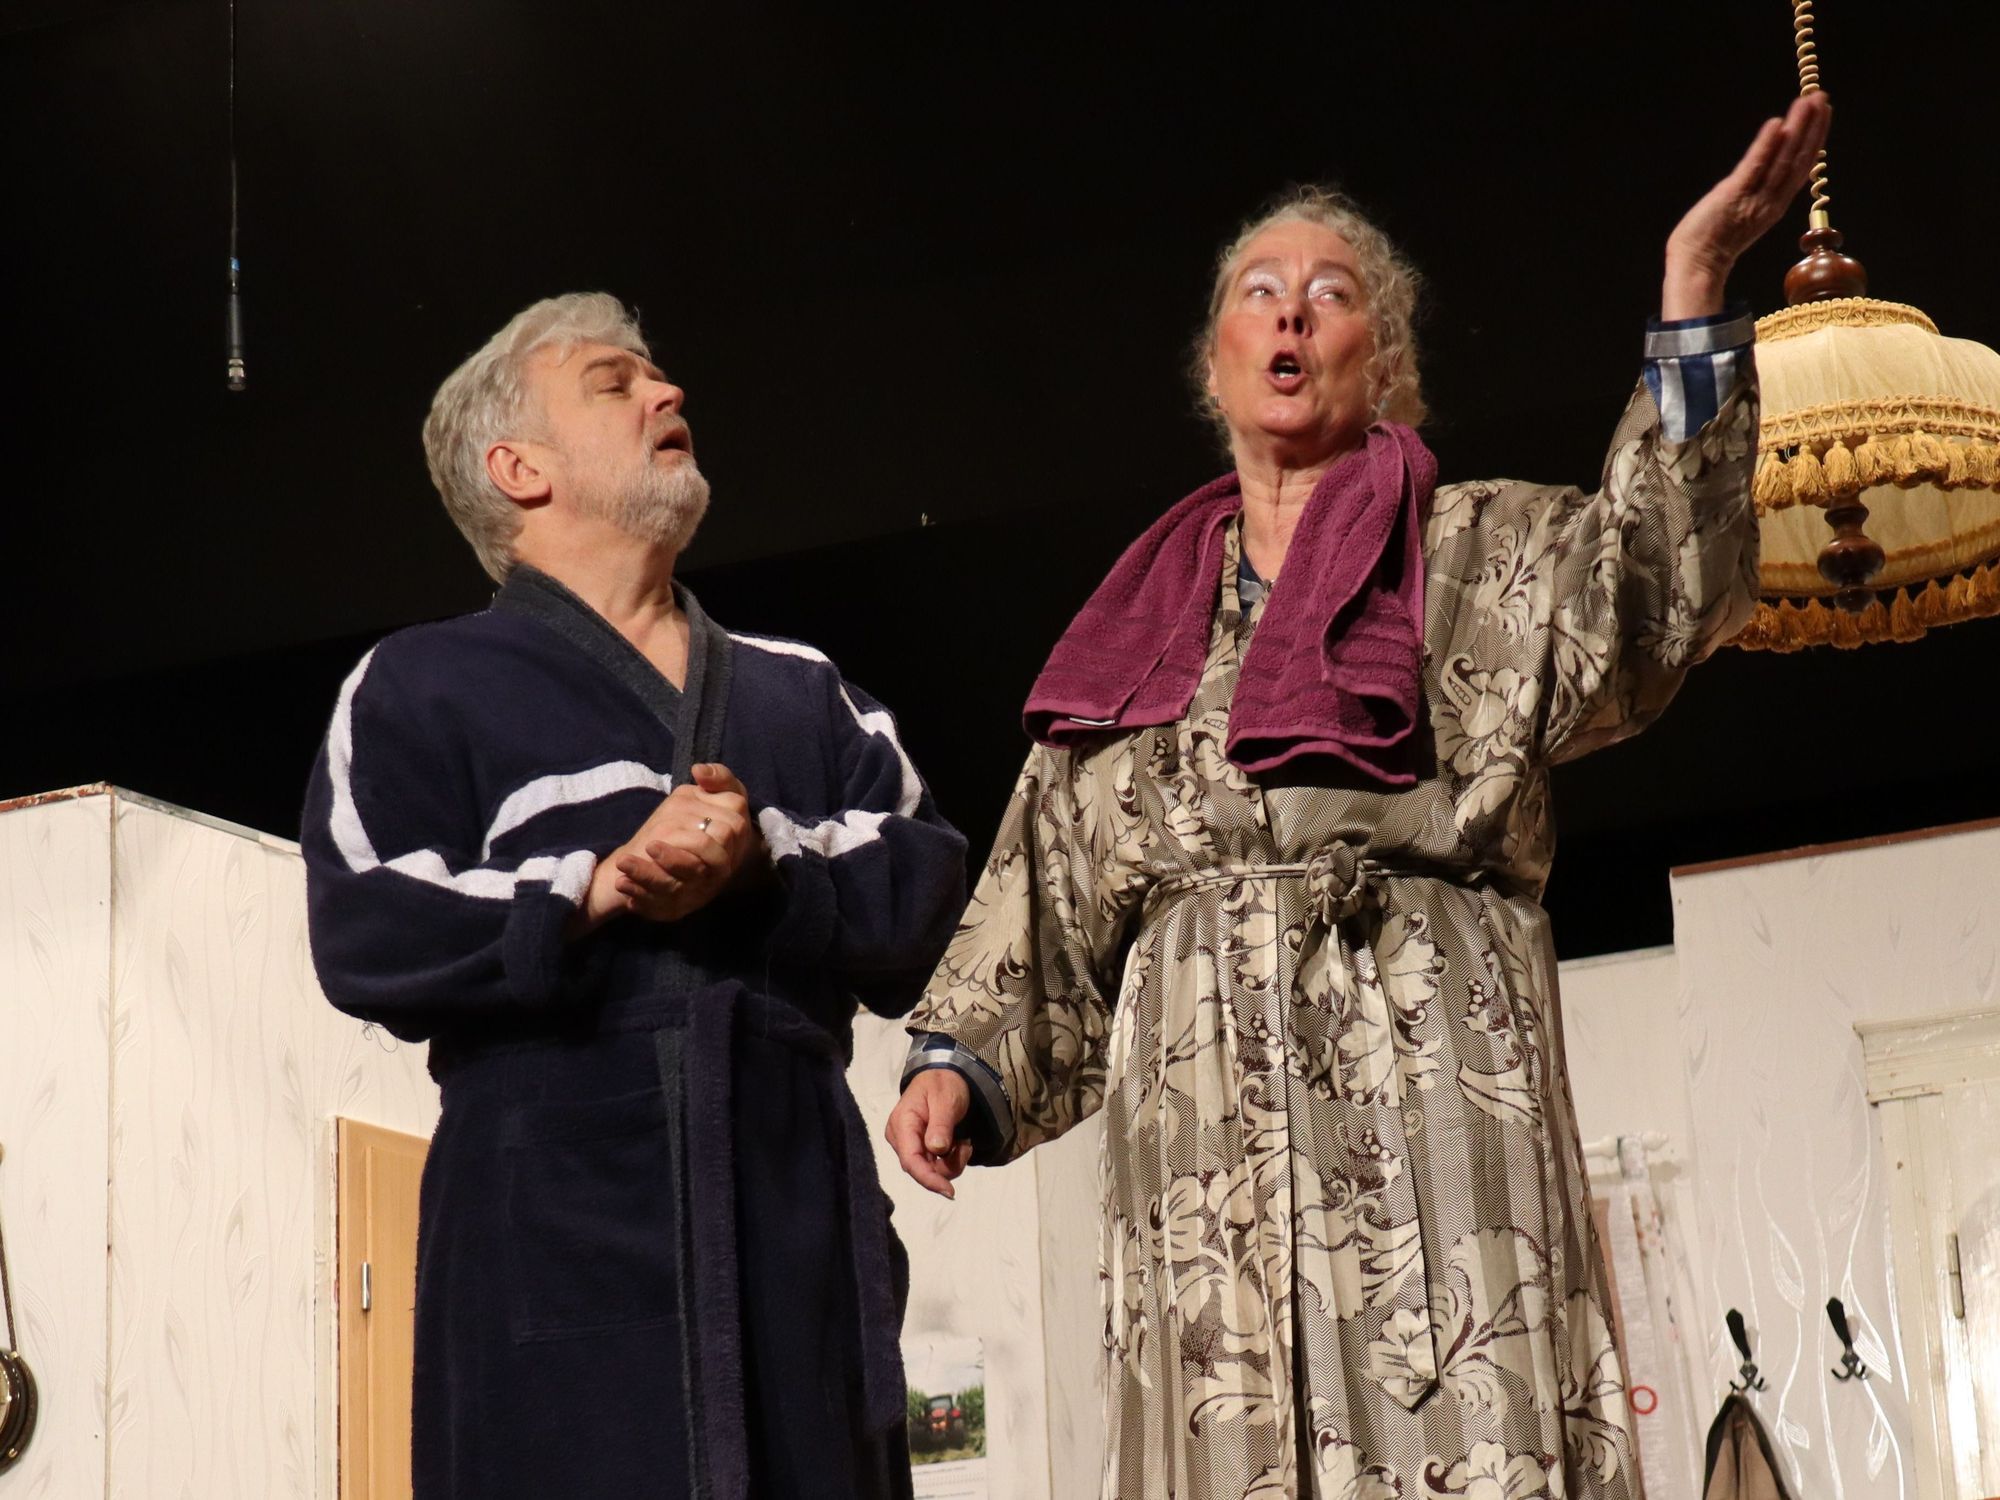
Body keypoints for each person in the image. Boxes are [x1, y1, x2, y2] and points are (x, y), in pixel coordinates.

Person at [887, 98, 1832, 1499]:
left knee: (1458, 1423)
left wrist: (1693, 291)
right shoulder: (1140, 620)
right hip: (1203, 1133)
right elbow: (1054, 870)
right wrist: (956, 1062)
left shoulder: (1477, 548)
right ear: (1215, 363)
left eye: (1329, 296)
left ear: (1382, 362)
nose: (1290, 314)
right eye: (1258, 293)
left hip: (1428, 1070)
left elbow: (1652, 593)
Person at [302, 292, 967, 1500]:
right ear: (519, 467)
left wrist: (762, 862)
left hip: (792, 1233)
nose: (667, 394)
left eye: (656, 376)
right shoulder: (420, 684)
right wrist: (597, 885)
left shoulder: (800, 692)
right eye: (614, 383)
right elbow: (366, 924)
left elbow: (927, 889)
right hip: (545, 1237)